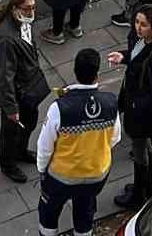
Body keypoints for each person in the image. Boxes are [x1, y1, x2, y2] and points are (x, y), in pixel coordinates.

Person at [36, 47, 121, 236]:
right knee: (84, 211)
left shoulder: (59, 108)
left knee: (48, 212)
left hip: (61, 178)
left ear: (75, 72)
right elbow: (115, 138)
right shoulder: (111, 103)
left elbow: (44, 147)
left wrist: (43, 172)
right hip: (96, 176)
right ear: (97, 74)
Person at [108, 5, 152, 212]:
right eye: (137, 22)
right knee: (144, 149)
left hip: (142, 114)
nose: (138, 27)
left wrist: (138, 104)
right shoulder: (144, 41)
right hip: (136, 107)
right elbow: (136, 56)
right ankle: (145, 187)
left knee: (141, 151)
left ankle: (139, 194)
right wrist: (123, 57)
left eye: (143, 24)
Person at [0, 0, 51, 184]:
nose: (31, 12)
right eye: (27, 8)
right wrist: (10, 107)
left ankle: (20, 151)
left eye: (33, 7)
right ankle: (8, 164)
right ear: (15, 8)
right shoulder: (6, 39)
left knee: (30, 121)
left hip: (27, 88)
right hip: (17, 93)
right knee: (10, 131)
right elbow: (3, 77)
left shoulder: (23, 23)